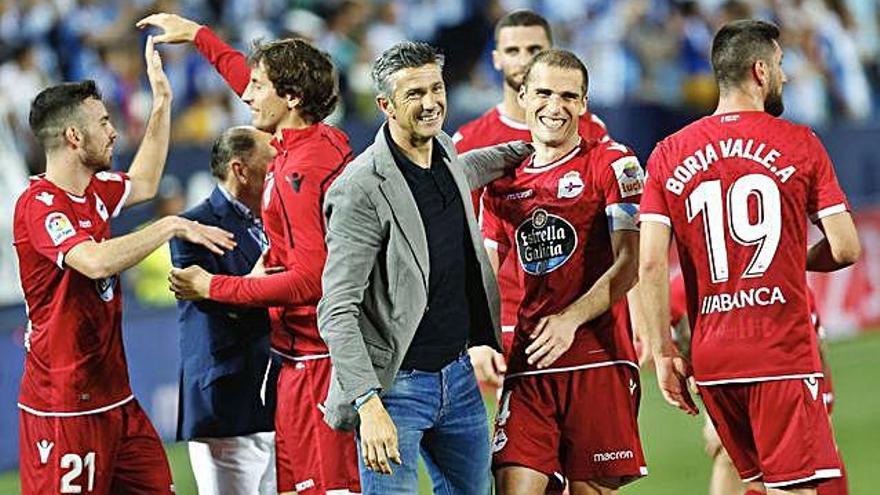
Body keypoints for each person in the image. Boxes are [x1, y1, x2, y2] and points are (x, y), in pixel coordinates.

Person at [138, 12, 360, 495]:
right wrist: (200, 37)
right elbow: (251, 81)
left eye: (259, 86)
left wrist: (211, 285)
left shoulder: (299, 174)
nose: (246, 94)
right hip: (306, 356)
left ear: (292, 98)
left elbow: (310, 279)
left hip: (317, 361)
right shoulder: (316, 138)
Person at [638, 19, 861, 495]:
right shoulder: (800, 142)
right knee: (794, 490)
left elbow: (651, 264)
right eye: (780, 65)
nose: (783, 74)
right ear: (760, 71)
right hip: (778, 350)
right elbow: (845, 248)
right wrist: (789, 258)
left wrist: (663, 353)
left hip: (713, 360)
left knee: (752, 486)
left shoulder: (667, 153)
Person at [12, 38, 234, 494]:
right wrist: (169, 226)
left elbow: (146, 180)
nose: (113, 131)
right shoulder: (39, 206)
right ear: (74, 137)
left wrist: (163, 102)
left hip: (118, 399)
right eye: (104, 122)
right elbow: (91, 262)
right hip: (65, 408)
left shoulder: (95, 190)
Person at [316, 41, 531, 494]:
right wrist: (368, 404)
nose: (431, 102)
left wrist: (531, 149)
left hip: (459, 377)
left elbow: (466, 170)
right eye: (414, 94)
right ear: (385, 105)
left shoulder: (444, 149)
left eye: (436, 88)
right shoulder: (358, 188)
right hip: (395, 390)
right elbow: (336, 310)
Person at [481, 48, 647, 495]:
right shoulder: (502, 182)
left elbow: (630, 263)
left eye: (569, 97)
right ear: (523, 94)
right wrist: (479, 338)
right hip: (529, 361)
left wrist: (571, 319)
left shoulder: (615, 164)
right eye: (544, 93)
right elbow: (484, 271)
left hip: (598, 357)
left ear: (584, 103)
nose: (555, 107)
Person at [453, 9, 610, 353]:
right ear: (495, 59)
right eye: (513, 50)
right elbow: (469, 240)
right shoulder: (470, 141)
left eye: (534, 49)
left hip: (577, 315)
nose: (524, 59)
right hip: (508, 318)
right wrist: (475, 331)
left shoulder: (591, 129)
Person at [170, 126, 280, 495]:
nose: (280, 165)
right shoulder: (193, 227)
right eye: (271, 158)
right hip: (227, 402)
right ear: (240, 169)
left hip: (274, 398)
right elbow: (212, 308)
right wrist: (258, 280)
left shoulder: (274, 218)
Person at [668, 274, 849, 495]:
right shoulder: (680, 292)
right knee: (730, 457)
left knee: (803, 470)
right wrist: (711, 416)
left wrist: (819, 409)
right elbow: (690, 350)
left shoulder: (782, 278)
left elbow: (814, 349)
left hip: (787, 379)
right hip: (730, 380)